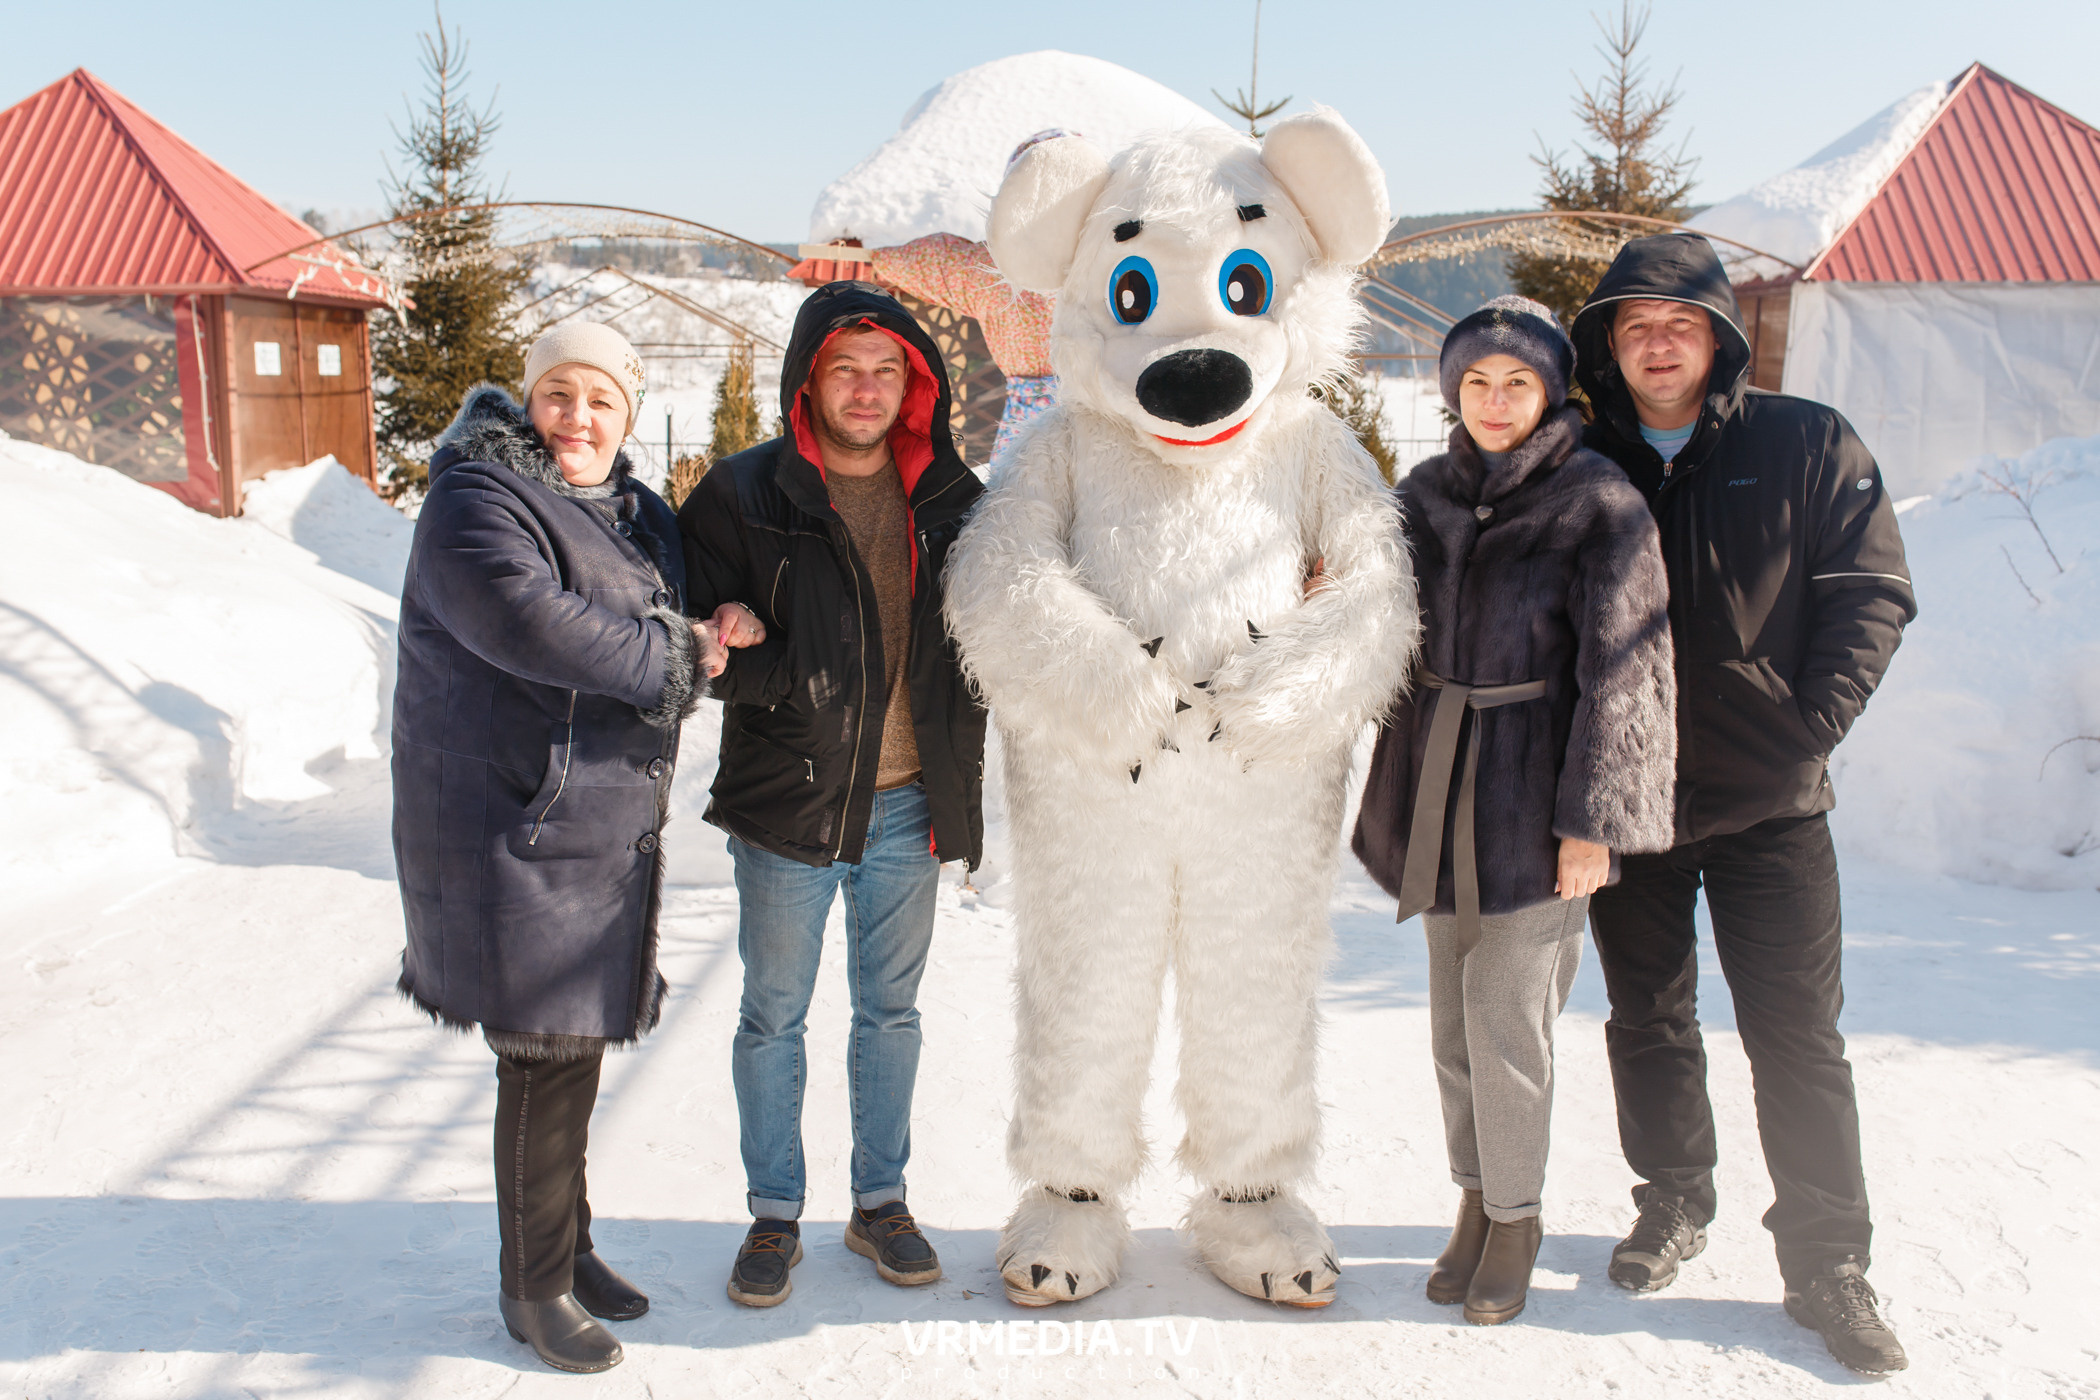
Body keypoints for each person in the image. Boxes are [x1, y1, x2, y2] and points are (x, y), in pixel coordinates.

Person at [1570, 234, 1917, 1375]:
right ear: (1611, 345)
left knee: (1797, 1036)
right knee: (1649, 1017)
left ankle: (1827, 1260)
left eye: (1680, 321)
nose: (1658, 341)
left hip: (1774, 802)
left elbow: (1870, 590)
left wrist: (1805, 726)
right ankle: (1674, 1196)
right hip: (1632, 800)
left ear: (1719, 335)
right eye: (1635, 324)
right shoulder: (1580, 458)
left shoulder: (1806, 440)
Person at [393, 323, 746, 1373]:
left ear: (627, 414)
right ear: (528, 398)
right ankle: (531, 1285)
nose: (578, 418)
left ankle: (569, 1243)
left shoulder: (632, 510)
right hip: (515, 820)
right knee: (542, 1054)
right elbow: (529, 620)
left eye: (601, 399)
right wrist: (683, 654)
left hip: (591, 822)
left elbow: (668, 615)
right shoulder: (476, 498)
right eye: (559, 393)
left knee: (574, 1041)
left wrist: (711, 624)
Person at [1353, 296, 1677, 1326]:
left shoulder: (1599, 502)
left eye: (1518, 383)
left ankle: (1521, 1216)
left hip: (1538, 798)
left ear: (1550, 393)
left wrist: (1595, 821)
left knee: (1507, 1019)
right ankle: (1474, 1200)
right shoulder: (1427, 495)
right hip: (1440, 783)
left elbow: (1629, 674)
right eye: (1478, 383)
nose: (1495, 402)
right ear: (1456, 391)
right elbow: (1375, 616)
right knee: (1453, 1020)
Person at [676, 281, 986, 1308]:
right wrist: (735, 637)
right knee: (773, 1014)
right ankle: (774, 1214)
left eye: (885, 369)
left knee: (890, 1013)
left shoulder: (952, 500)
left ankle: (881, 1202)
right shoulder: (741, 493)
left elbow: (1016, 615)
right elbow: (690, 630)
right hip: (789, 806)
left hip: (908, 802)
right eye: (845, 368)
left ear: (915, 385)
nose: (865, 387)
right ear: (809, 379)